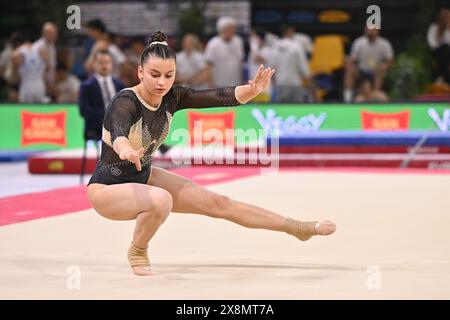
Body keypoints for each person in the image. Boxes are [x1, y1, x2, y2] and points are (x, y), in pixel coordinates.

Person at [86, 31, 336, 276]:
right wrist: (127, 150)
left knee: (219, 203)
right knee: (162, 200)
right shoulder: (125, 102)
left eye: (169, 75)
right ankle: (138, 252)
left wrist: (252, 90)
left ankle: (297, 227)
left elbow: (217, 96)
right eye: (154, 75)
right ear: (140, 72)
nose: (162, 82)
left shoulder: (172, 97)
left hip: (143, 176)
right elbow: (118, 133)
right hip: (108, 188)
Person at [343, 27, 394, 102]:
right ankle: (347, 99)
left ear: (377, 31)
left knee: (381, 67)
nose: (371, 31)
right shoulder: (359, 42)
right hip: (361, 72)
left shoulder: (384, 43)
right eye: (369, 29)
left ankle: (376, 94)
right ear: (365, 30)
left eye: (373, 29)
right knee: (350, 69)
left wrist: (385, 66)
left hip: (376, 72)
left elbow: (390, 60)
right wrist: (348, 62)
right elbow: (353, 60)